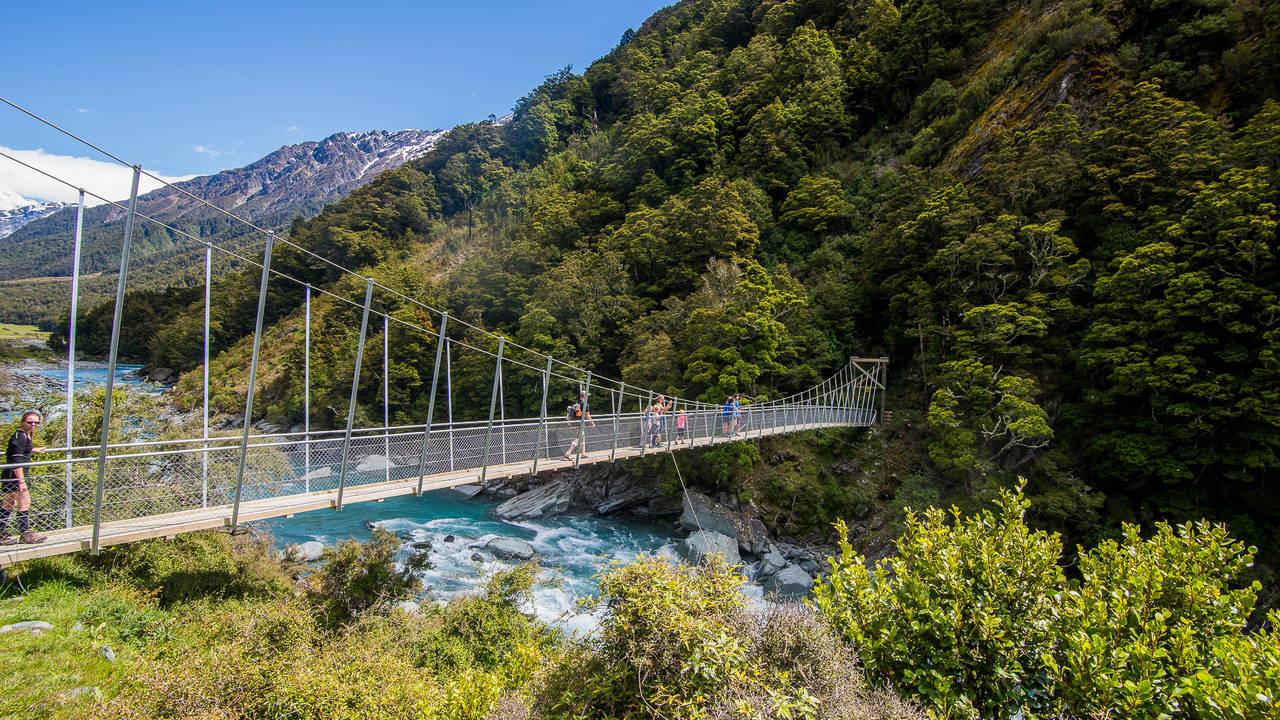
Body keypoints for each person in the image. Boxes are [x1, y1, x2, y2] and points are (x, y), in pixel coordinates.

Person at [1, 411, 48, 545]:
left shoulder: (24, 435)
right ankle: (25, 534)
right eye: (29, 422)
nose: (33, 425)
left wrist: (33, 449)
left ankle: (0, 533)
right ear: (22, 422)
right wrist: (21, 482)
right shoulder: (20, 437)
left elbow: (19, 450)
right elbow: (16, 460)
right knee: (24, 503)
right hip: (16, 475)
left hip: (9, 474)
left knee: (9, 504)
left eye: (36, 422)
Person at [562, 390, 595, 459]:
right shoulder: (585, 404)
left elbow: (571, 413)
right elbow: (587, 415)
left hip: (574, 421)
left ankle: (583, 454)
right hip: (580, 422)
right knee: (579, 437)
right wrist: (592, 423)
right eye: (587, 395)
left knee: (582, 436)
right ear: (584, 396)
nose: (588, 397)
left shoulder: (576, 402)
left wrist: (571, 424)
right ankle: (568, 453)